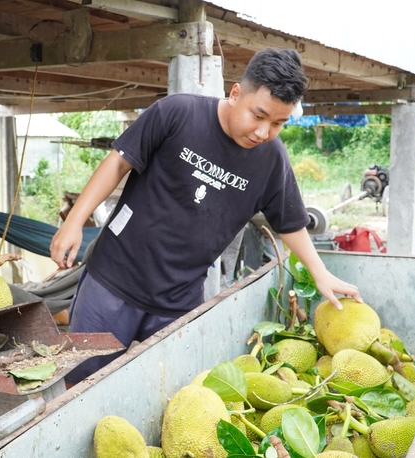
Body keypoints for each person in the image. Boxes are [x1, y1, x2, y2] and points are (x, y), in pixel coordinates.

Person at [50, 48, 362, 385]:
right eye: (258, 116)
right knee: (81, 383)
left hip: (178, 298)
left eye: (277, 123)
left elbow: (290, 221)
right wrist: (74, 221)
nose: (263, 132)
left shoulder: (271, 159)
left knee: (171, 394)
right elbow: (119, 161)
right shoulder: (178, 113)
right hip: (113, 280)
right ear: (235, 94)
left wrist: (320, 273)